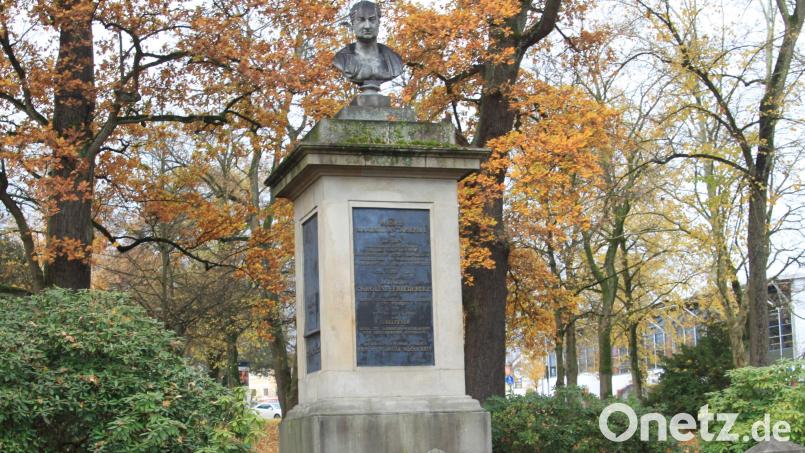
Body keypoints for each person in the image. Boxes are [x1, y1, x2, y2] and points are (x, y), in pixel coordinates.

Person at [333, 1, 404, 93]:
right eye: (361, 20)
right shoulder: (342, 59)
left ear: (378, 23)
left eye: (372, 20)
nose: (367, 26)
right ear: (353, 24)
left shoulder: (394, 60)